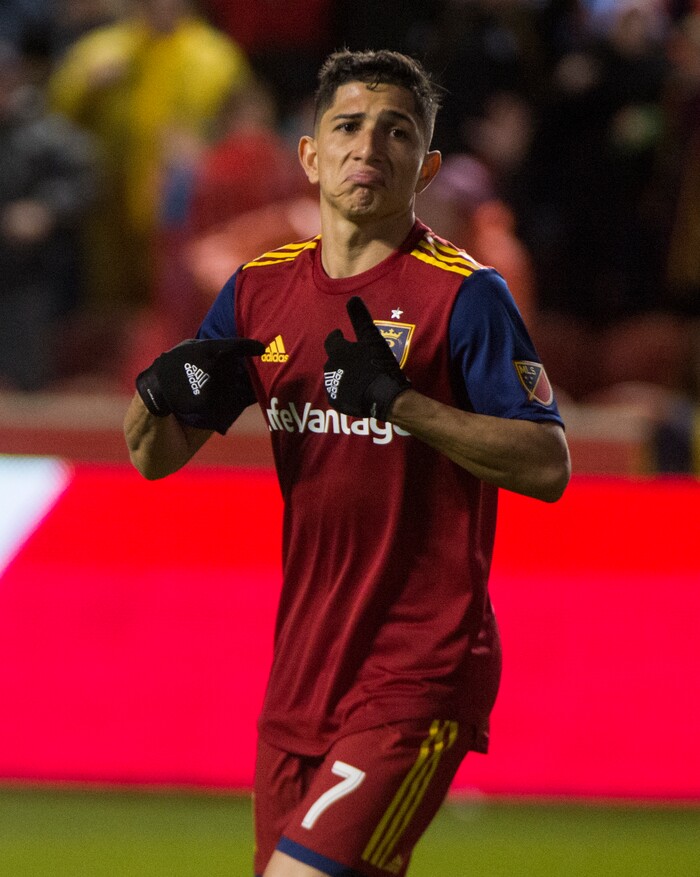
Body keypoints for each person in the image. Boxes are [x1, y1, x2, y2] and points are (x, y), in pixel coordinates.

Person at [124, 49, 570, 877]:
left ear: (425, 165)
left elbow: (549, 462)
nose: (372, 145)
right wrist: (152, 394)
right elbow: (156, 457)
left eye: (398, 131)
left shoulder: (465, 296)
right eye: (350, 126)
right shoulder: (259, 292)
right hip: (302, 673)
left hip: (420, 668)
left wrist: (402, 404)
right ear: (311, 154)